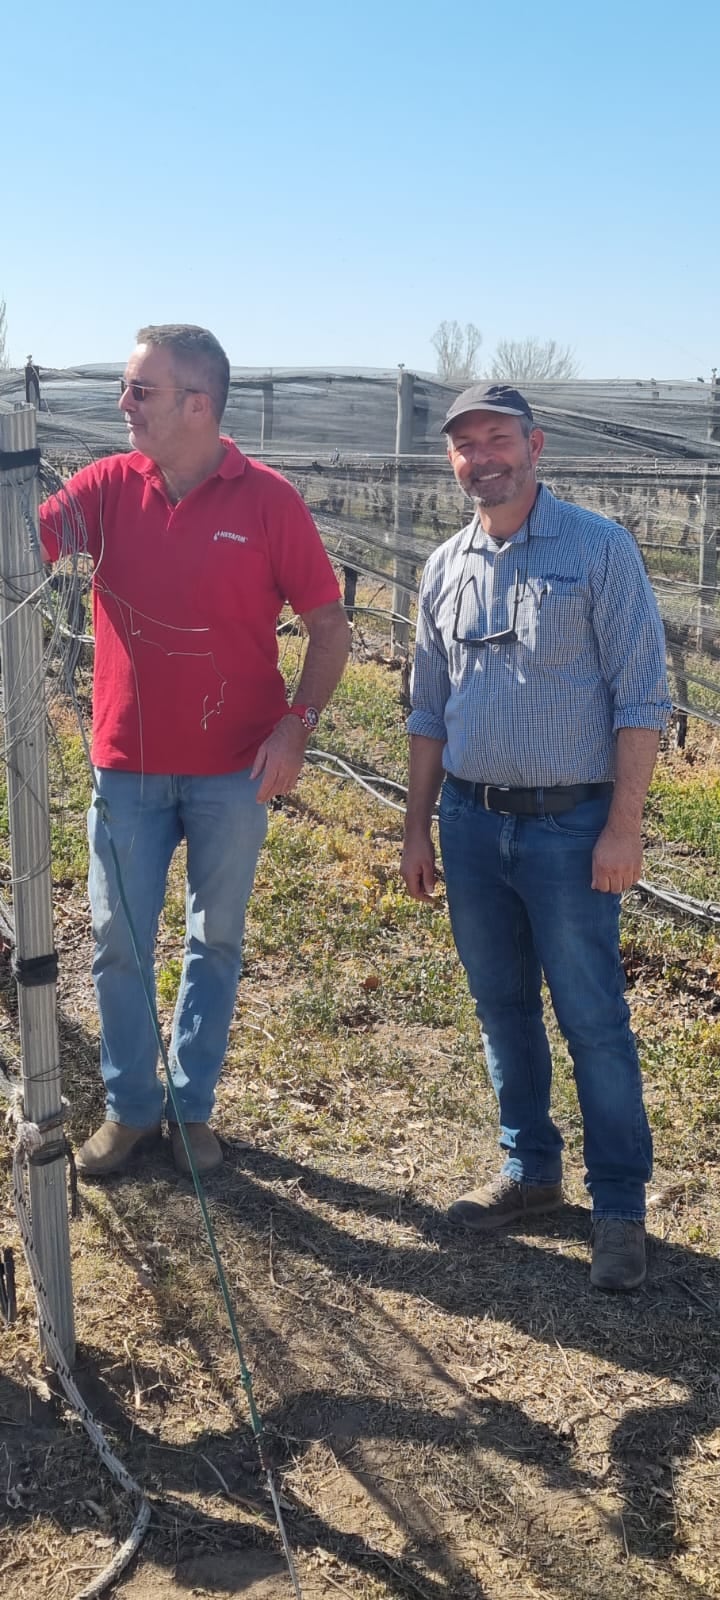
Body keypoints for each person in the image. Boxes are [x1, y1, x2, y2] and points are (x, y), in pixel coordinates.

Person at [40, 324, 350, 1178]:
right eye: (127, 388)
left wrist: (298, 726)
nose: (123, 404)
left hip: (232, 769)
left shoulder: (267, 500)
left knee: (214, 940)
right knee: (117, 939)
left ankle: (191, 1105)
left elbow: (329, 627)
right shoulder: (104, 488)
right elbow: (25, 542)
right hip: (126, 765)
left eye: (141, 390)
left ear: (198, 404)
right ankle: (132, 1109)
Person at [401, 383, 671, 1291]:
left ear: (535, 444)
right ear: (453, 460)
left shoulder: (599, 549)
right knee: (503, 1007)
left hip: (571, 828)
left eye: (498, 438)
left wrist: (623, 826)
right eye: (466, 444)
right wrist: (417, 829)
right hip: (472, 825)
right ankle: (531, 1172)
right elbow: (428, 711)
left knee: (594, 1019)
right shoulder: (444, 566)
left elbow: (642, 698)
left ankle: (621, 1208)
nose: (484, 456)